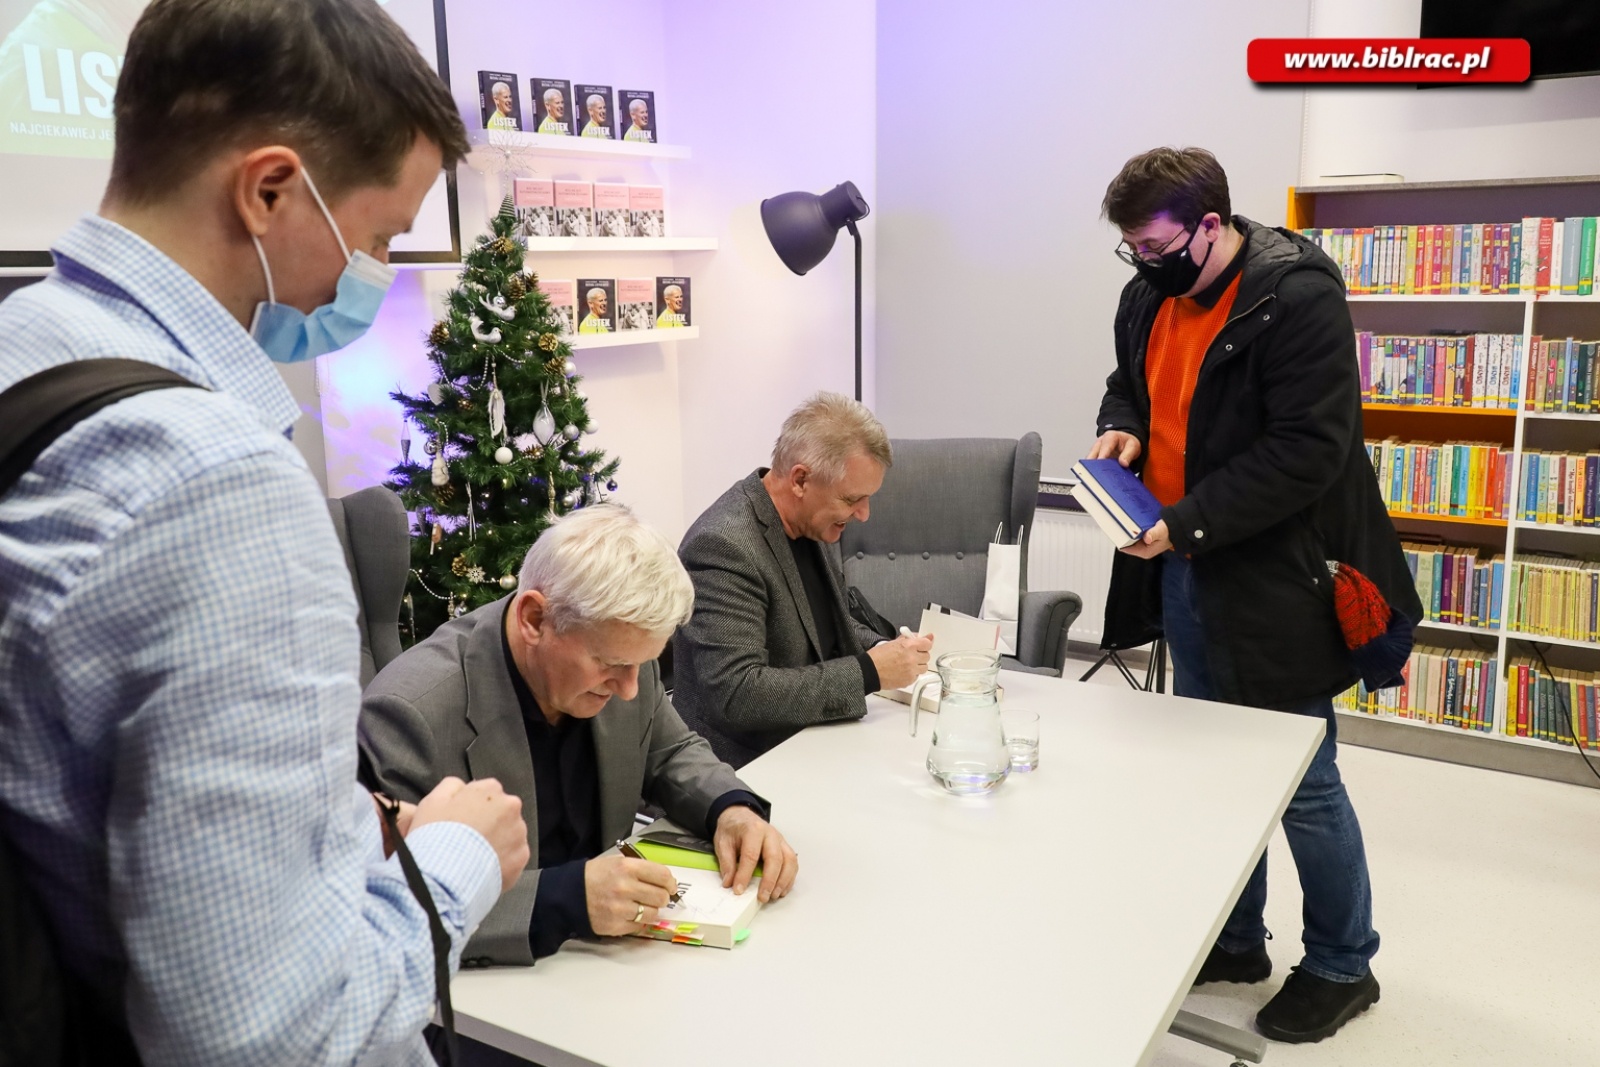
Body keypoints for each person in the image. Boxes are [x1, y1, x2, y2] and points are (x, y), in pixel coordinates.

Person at [0, 2, 531, 1063]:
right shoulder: (218, 486)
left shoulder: (22, 349)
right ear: (271, 188)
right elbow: (271, 1037)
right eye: (379, 236)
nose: (369, 275)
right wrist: (456, 861)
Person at [1090, 147, 1421, 1045]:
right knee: (1213, 767)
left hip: (1277, 576)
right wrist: (1120, 430)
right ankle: (1237, 939)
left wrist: (1187, 521)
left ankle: (1344, 963)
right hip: (1190, 568)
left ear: (1210, 224)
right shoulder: (1150, 291)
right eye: (1132, 249)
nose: (1144, 263)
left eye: (1157, 245)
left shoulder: (1298, 297)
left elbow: (1309, 451)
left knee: (1301, 781)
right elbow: (1133, 383)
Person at [360, 506, 799, 968]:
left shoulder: (621, 647)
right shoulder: (410, 713)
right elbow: (386, 904)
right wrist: (564, 900)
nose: (630, 688)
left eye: (642, 664)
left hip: (612, 966)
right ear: (534, 618)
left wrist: (730, 808)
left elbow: (670, 751)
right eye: (610, 665)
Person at [674, 392, 933, 767]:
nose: (863, 514)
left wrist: (894, 649)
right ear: (800, 480)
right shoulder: (722, 546)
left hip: (817, 740)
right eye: (851, 499)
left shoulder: (809, 522)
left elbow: (826, 626)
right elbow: (737, 693)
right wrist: (870, 671)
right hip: (749, 767)